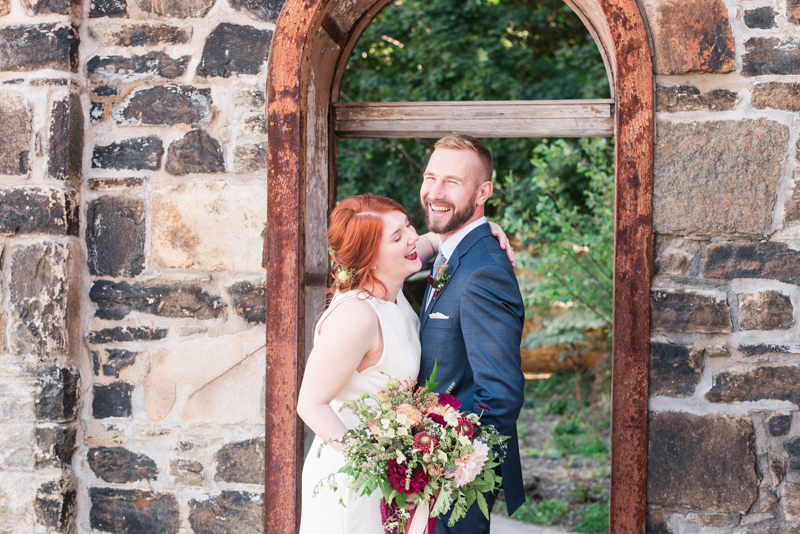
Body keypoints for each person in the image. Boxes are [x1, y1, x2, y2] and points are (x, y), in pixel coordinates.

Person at [297, 193, 514, 534]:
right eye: (397, 237)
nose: (412, 236)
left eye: (408, 224)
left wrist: (485, 231)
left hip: (394, 476)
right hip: (357, 479)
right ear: (370, 257)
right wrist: (376, 464)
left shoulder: (390, 289)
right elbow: (310, 403)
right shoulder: (357, 315)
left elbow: (431, 241)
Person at [418, 135, 526, 534]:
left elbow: (499, 394)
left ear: (483, 192)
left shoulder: (484, 270)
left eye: (453, 182)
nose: (435, 192)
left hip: (454, 482)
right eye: (431, 177)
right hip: (423, 469)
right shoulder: (452, 252)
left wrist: (456, 474)